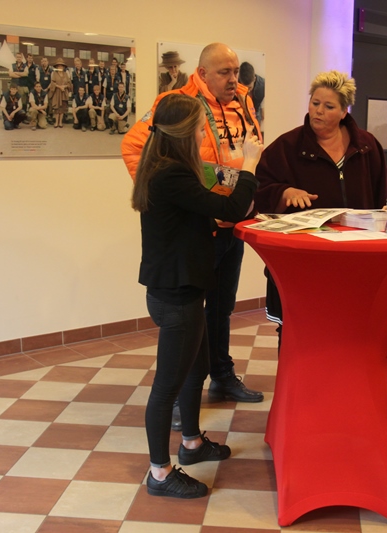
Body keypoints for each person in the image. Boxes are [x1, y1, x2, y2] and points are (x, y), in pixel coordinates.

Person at [122, 43, 266, 430]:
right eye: (223, 72)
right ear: (202, 73)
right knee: (186, 320)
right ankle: (176, 399)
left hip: (231, 221)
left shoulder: (245, 100)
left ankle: (221, 375)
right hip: (203, 224)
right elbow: (133, 147)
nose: (233, 79)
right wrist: (172, 196)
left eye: (235, 70)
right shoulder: (178, 104)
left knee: (220, 308)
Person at [131, 93, 262, 498]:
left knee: (197, 367)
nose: (207, 134)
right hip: (176, 294)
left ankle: (191, 443)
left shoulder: (171, 167)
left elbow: (214, 193)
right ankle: (159, 473)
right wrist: (250, 163)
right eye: (202, 129)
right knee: (167, 386)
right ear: (186, 132)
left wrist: (233, 175)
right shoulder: (170, 174)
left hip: (183, 287)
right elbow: (234, 208)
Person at [254, 71, 387, 339]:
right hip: (303, 263)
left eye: (328, 106)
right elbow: (260, 186)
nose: (318, 111)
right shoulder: (287, 146)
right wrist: (284, 192)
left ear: (343, 111)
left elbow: (385, 191)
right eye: (315, 102)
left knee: (349, 329)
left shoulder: (367, 146)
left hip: (355, 259)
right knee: (298, 331)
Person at [48, 58, 70, 128]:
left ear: (63, 67)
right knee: (57, 108)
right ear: (57, 67)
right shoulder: (54, 74)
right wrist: (59, 87)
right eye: (59, 66)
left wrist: (64, 86)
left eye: (61, 66)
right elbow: (52, 83)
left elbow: (69, 83)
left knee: (62, 108)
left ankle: (60, 122)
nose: (60, 67)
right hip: (57, 92)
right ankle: (56, 122)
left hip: (64, 93)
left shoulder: (66, 74)